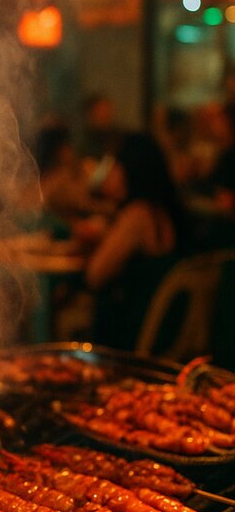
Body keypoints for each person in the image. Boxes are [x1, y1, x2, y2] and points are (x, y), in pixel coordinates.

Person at [82, 131, 186, 351]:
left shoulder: (137, 216)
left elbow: (95, 275)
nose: (110, 173)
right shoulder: (164, 211)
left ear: (131, 170)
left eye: (116, 166)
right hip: (167, 333)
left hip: (132, 338)